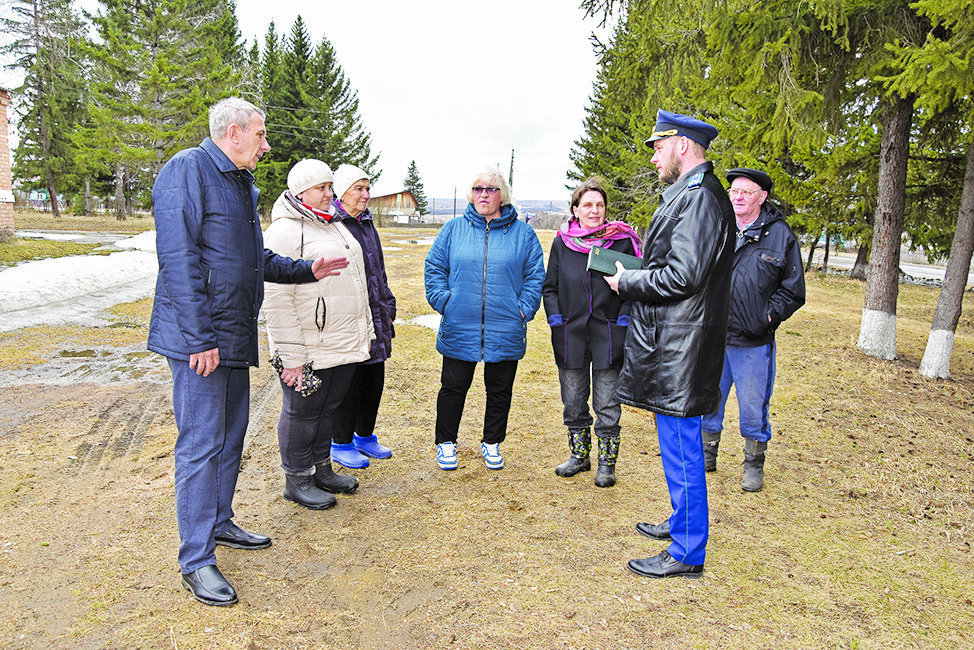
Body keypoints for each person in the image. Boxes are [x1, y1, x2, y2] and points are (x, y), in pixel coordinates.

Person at [149, 97, 347, 607]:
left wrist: (307, 270)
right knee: (200, 444)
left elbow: (249, 258)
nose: (265, 145)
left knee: (230, 436)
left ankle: (219, 522)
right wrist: (199, 338)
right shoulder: (187, 170)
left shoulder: (239, 183)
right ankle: (195, 559)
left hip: (233, 334)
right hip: (202, 340)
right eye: (260, 135)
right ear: (233, 132)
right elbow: (177, 257)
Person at [605, 109, 734, 579]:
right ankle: (682, 524)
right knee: (675, 443)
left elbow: (684, 274)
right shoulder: (689, 194)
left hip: (683, 344)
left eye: (659, 146)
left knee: (682, 447)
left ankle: (687, 551)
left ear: (682, 144)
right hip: (675, 341)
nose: (654, 156)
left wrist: (629, 281)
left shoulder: (699, 199)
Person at [263, 159, 375, 510]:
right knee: (302, 412)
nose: (330, 194)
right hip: (307, 344)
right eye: (322, 188)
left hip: (340, 340)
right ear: (300, 192)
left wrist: (365, 331)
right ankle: (296, 478)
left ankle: (320, 468)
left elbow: (356, 282)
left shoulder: (333, 225)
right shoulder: (284, 231)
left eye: (330, 187)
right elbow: (276, 299)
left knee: (329, 409)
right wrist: (292, 356)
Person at [425, 168, 545, 471]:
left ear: (501, 195)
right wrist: (445, 302)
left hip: (505, 325)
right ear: (471, 193)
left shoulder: (523, 233)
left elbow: (534, 276)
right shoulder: (453, 230)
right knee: (452, 387)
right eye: (478, 189)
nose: (483, 194)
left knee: (500, 389)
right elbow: (434, 268)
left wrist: (522, 309)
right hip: (460, 324)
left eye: (491, 189)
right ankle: (446, 443)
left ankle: (492, 442)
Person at [700, 168, 805, 492]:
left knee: (752, 406)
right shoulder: (718, 227)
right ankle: (707, 453)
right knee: (708, 401)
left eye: (746, 192)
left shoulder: (780, 235)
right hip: (714, 337)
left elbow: (793, 289)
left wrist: (767, 317)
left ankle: (753, 464)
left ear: (762, 197)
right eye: (734, 192)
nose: (738, 197)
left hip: (754, 343)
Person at [543, 178, 642, 487]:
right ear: (576, 209)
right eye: (587, 205)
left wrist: (624, 319)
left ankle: (606, 465)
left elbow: (634, 286)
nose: (594, 210)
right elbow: (550, 288)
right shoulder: (563, 242)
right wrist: (556, 320)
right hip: (570, 333)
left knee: (607, 404)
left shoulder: (622, 241)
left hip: (609, 333)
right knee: (573, 401)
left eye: (599, 205)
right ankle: (579, 456)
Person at [330, 164, 397, 469]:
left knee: (374, 376)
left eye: (367, 188)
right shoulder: (333, 223)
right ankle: (340, 442)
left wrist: (389, 305)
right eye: (359, 188)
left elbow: (379, 270)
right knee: (349, 380)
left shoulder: (367, 223)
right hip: (349, 316)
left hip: (376, 311)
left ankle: (365, 436)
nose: (366, 194)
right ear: (341, 191)